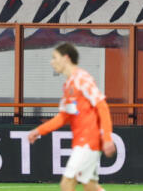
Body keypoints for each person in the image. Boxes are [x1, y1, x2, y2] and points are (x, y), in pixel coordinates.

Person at [27, 43, 115, 191]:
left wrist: (107, 138)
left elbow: (102, 106)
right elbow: (64, 117)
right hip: (82, 141)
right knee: (91, 187)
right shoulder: (69, 85)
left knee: (66, 183)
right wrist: (39, 130)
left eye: (55, 58)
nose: (52, 62)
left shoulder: (82, 79)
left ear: (66, 58)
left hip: (88, 141)